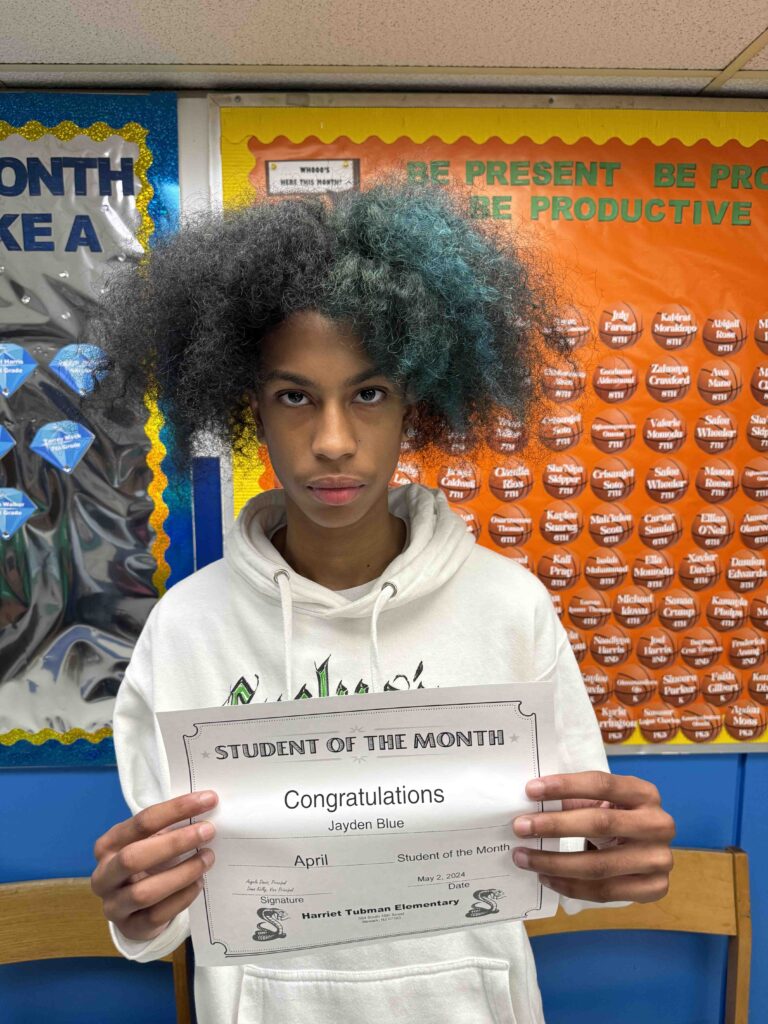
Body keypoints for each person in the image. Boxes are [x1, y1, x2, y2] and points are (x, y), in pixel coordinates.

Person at [86, 179, 675, 1024]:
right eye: (295, 396)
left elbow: (573, 861)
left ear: (412, 407)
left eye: (368, 394)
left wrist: (615, 862)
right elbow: (168, 910)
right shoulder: (188, 628)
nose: (333, 441)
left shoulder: (509, 608)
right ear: (251, 409)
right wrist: (137, 914)